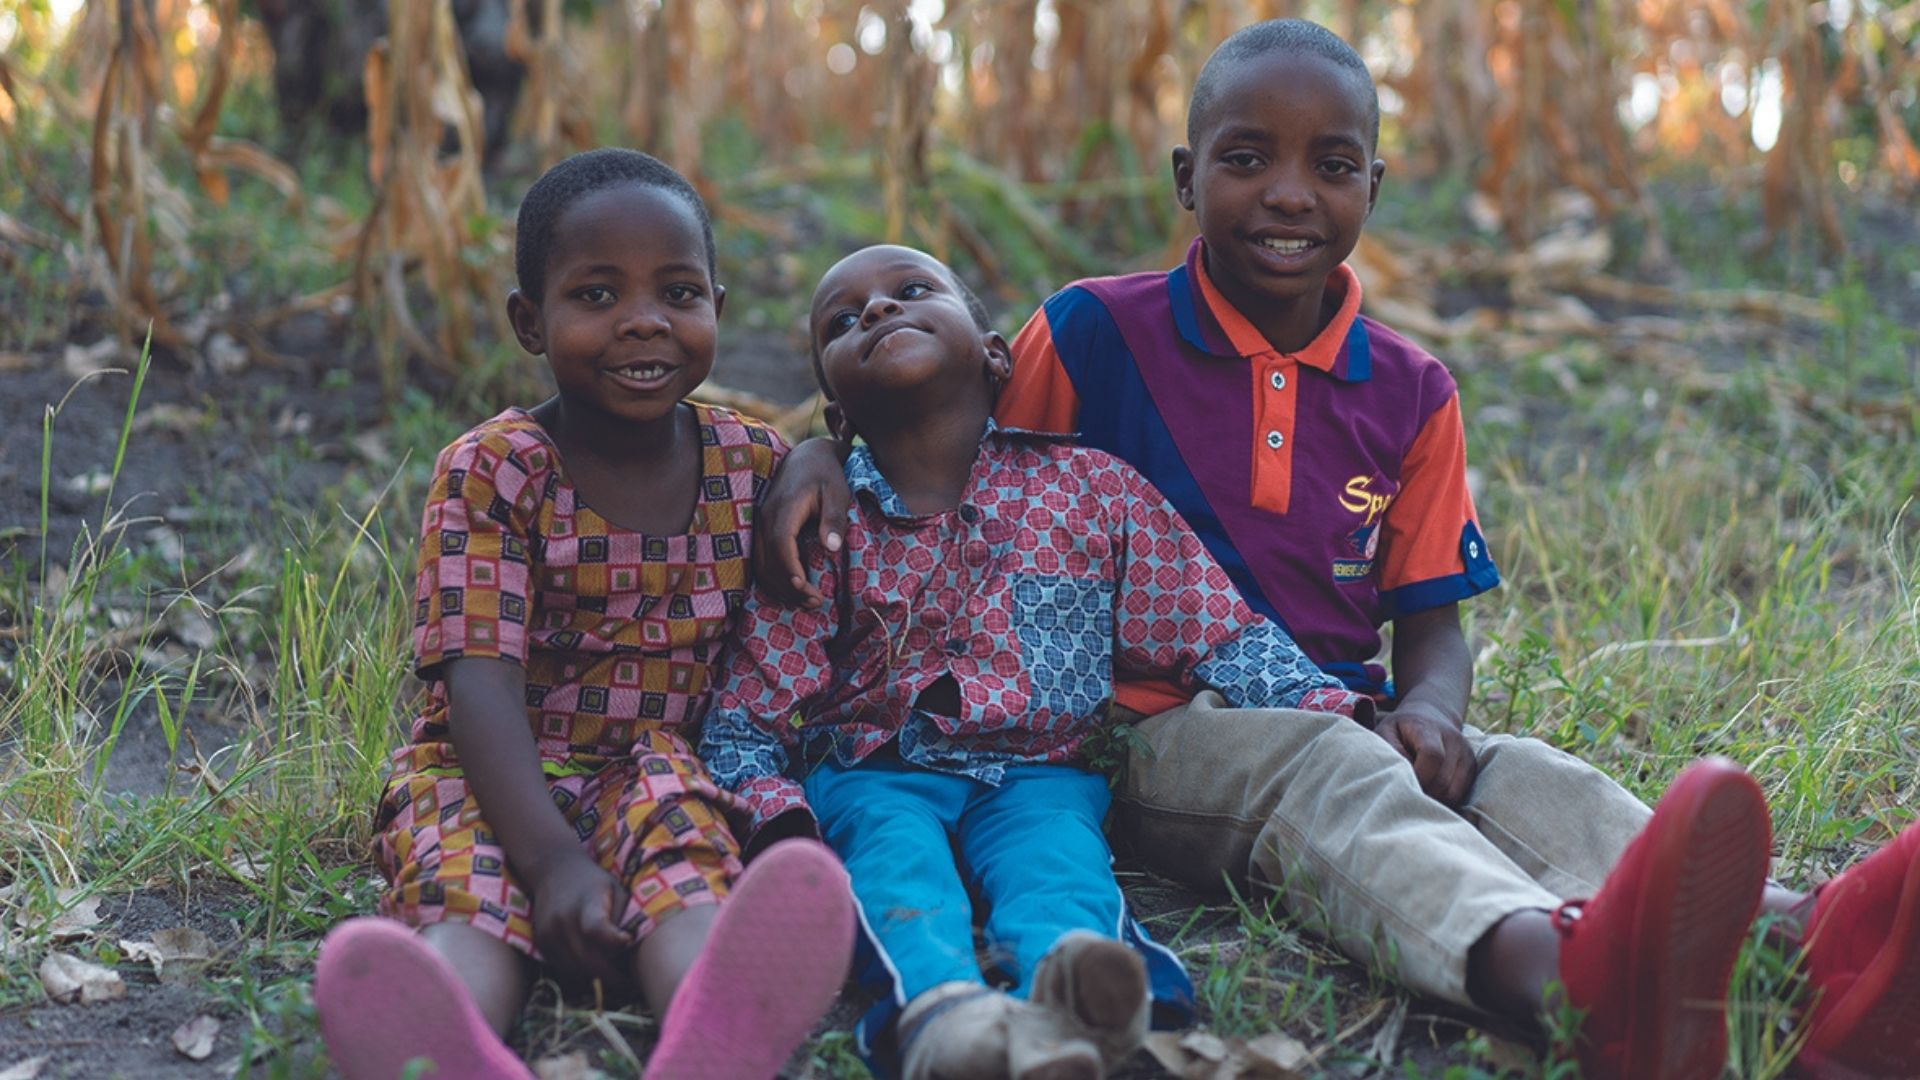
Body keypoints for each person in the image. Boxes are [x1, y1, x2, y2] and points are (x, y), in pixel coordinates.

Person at [752, 22, 1920, 1080]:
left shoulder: (1412, 390)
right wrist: (817, 452)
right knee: (1335, 775)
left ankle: (1798, 942)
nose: (1289, 195)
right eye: (1247, 157)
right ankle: (1550, 974)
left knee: (1519, 775)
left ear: (1374, 181)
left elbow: (1433, 618)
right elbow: (939, 429)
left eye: (1332, 164)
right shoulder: (1092, 331)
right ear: (1186, 176)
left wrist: (1435, 717)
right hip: (1156, 730)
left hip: (1350, 701)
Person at [698, 243, 1380, 1080]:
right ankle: (943, 1015)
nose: (877, 312)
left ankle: (1079, 1000)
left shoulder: (1093, 490)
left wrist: (1328, 703)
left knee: (1059, 867)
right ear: (836, 412)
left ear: (994, 356)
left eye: (911, 291)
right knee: (892, 866)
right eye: (844, 320)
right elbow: (751, 704)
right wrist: (775, 812)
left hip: (1039, 772)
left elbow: (1213, 631)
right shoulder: (825, 525)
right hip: (873, 770)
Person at [312, 148, 855, 1080]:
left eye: (677, 293)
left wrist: (816, 456)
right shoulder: (495, 469)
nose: (643, 321)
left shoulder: (748, 460)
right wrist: (555, 863)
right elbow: (477, 681)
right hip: (489, 775)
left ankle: (712, 1033)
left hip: (653, 767)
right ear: (531, 322)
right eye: (597, 296)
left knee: (687, 865)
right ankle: (442, 1040)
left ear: (716, 311)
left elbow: (829, 467)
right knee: (468, 894)